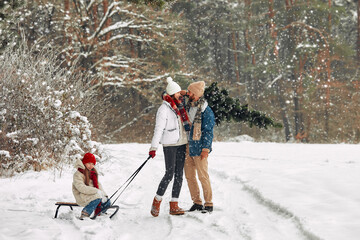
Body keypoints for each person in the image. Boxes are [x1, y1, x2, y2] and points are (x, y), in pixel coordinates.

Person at [148, 77, 190, 217]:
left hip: (182, 143)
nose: (181, 95)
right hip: (170, 145)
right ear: (172, 95)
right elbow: (158, 129)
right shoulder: (163, 109)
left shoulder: (180, 105)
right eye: (178, 93)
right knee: (169, 174)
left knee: (179, 175)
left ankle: (174, 205)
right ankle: (157, 200)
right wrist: (154, 147)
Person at [182, 81, 215, 213]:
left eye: (190, 92)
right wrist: (184, 92)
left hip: (200, 148)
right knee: (190, 176)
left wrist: (206, 149)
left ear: (196, 93)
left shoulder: (206, 111)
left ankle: (208, 203)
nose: (188, 94)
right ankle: (197, 202)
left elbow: (208, 131)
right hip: (188, 146)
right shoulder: (189, 106)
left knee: (203, 176)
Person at [72, 152, 110, 220]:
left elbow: (98, 185)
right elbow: (81, 188)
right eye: (89, 163)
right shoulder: (78, 174)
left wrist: (104, 195)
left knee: (107, 201)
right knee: (98, 197)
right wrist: (96, 191)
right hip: (82, 196)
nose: (91, 165)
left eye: (93, 164)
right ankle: (85, 213)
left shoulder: (92, 173)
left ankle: (100, 213)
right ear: (84, 162)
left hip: (91, 195)